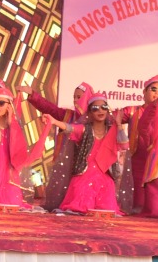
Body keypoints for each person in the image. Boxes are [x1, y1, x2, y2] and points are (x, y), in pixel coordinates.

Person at [35, 84, 126, 214]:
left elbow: (124, 145)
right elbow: (69, 127)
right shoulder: (85, 129)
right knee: (81, 205)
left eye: (104, 107)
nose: (100, 111)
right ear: (89, 112)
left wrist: (118, 125)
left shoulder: (111, 130)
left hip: (105, 177)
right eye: (95, 108)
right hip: (84, 176)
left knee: (106, 209)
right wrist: (54, 121)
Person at [0, 83, 51, 209]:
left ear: (9, 106)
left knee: (12, 202)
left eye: (1, 103)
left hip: (9, 167)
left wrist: (11, 122)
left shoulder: (14, 125)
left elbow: (19, 145)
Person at [118, 75, 158, 212]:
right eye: (153, 89)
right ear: (144, 92)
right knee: (137, 188)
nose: (157, 94)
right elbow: (111, 117)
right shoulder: (132, 111)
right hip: (137, 156)